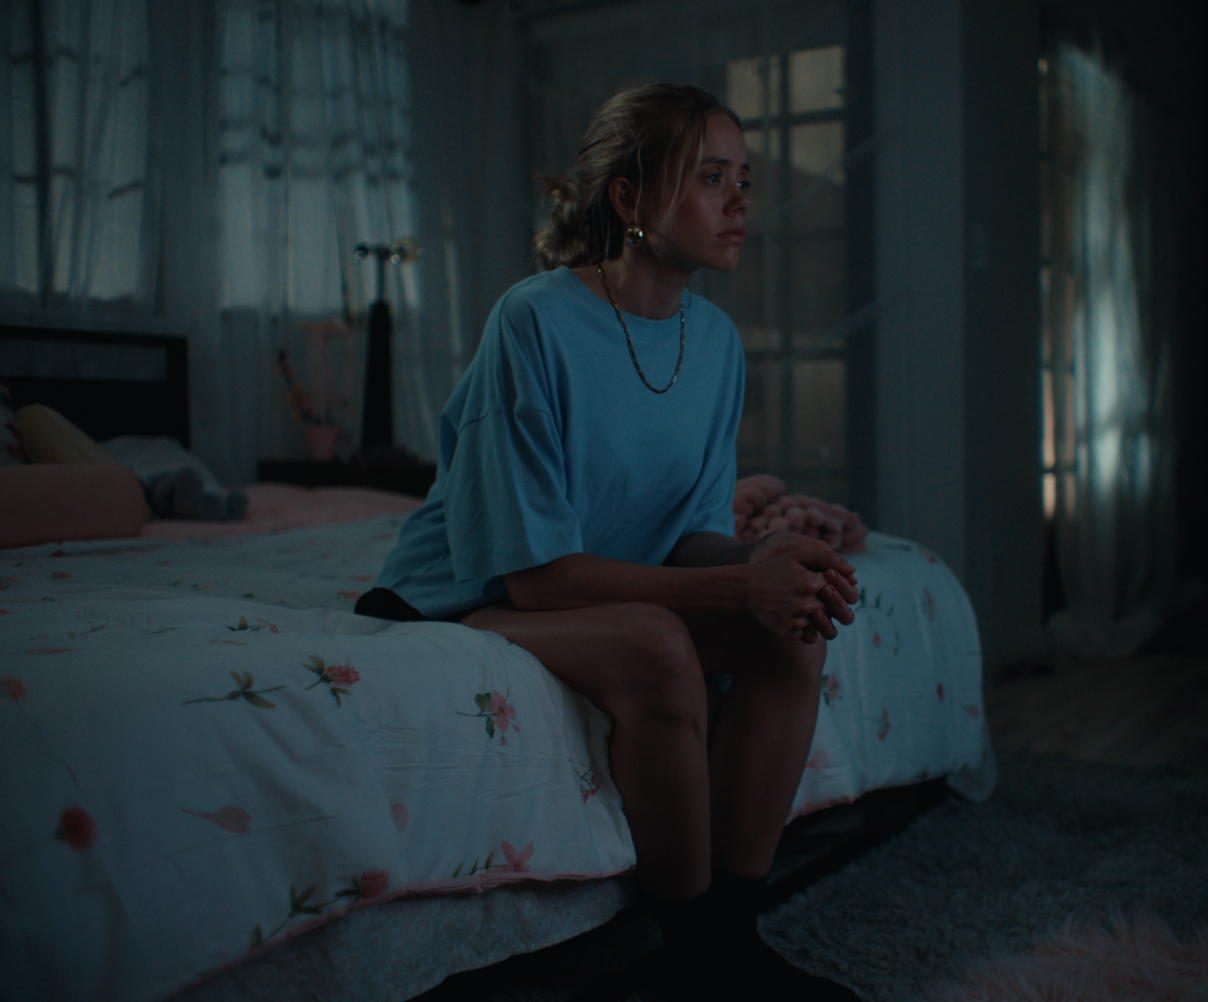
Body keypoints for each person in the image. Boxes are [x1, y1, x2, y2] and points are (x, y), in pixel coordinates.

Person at [356, 84, 863, 1001]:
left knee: (795, 633)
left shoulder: (716, 342)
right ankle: (700, 957)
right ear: (629, 197)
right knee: (659, 646)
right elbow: (537, 582)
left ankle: (730, 939)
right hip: (471, 594)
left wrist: (765, 564)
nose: (739, 203)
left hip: (592, 583)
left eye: (744, 180)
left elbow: (689, 539)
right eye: (711, 178)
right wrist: (733, 590)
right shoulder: (533, 320)